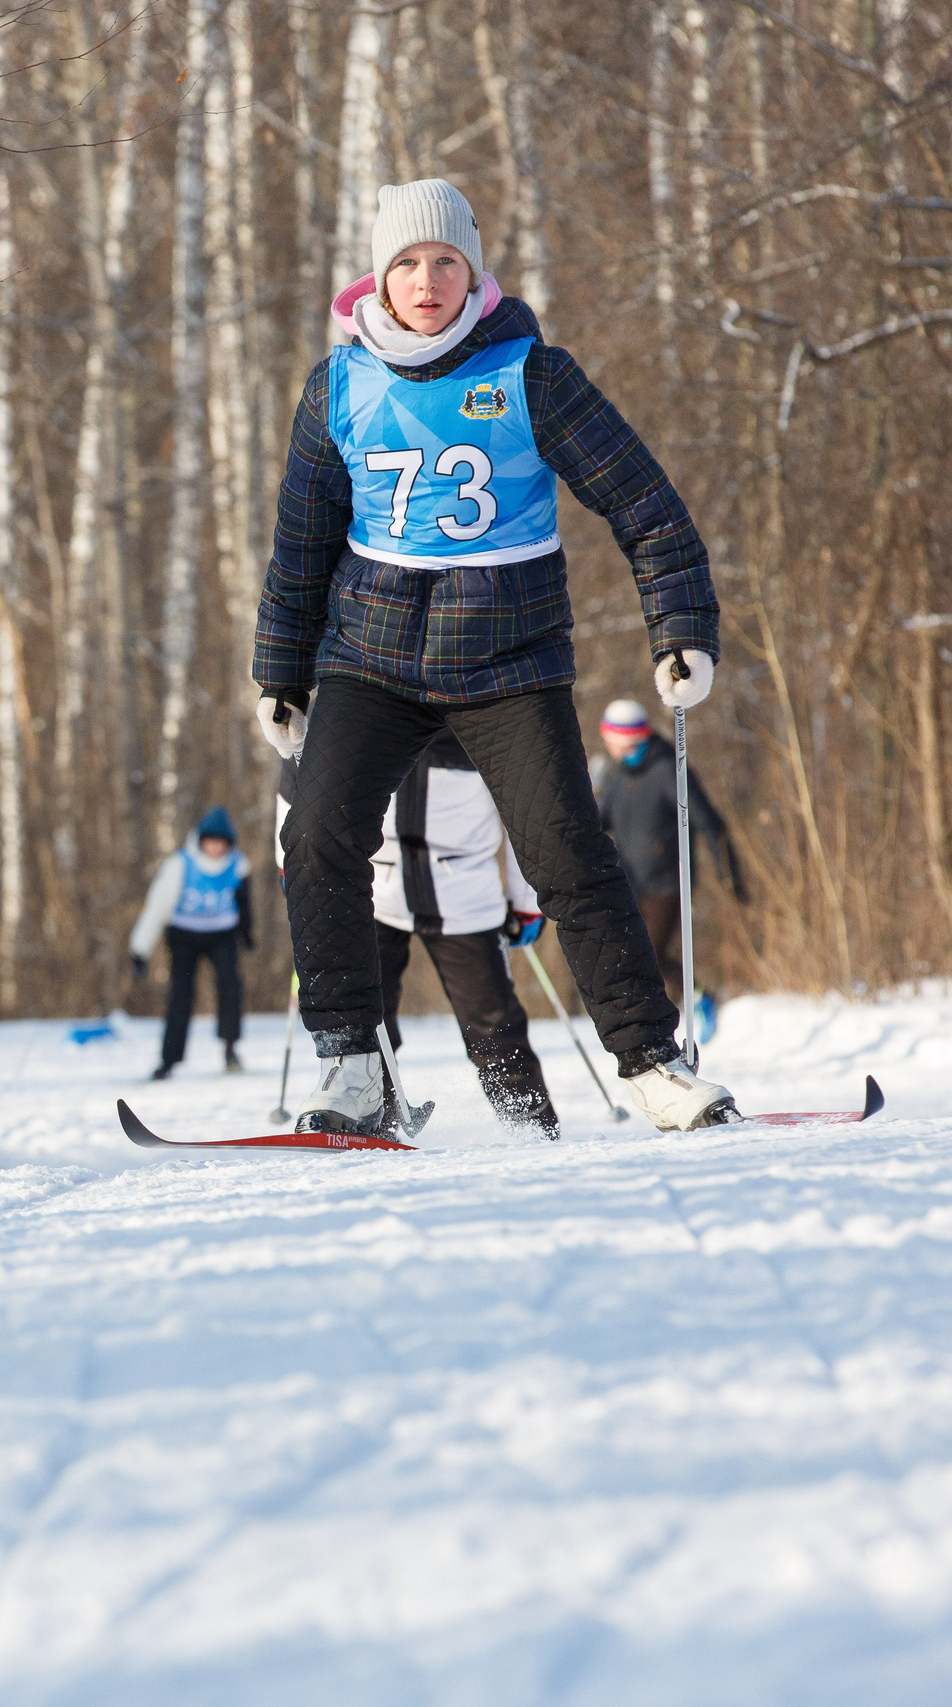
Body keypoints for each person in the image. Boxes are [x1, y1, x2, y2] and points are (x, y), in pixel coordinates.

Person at [251, 177, 735, 1136]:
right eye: (406, 264)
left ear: (473, 272)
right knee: (316, 837)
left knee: (568, 856)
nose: (426, 281)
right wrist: (281, 671)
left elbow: (645, 505)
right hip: (371, 660)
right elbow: (301, 545)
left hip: (508, 663)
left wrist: (680, 627)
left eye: (446, 261)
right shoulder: (337, 387)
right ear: (377, 280)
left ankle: (652, 1065)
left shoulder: (530, 375)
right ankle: (354, 1067)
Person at [277, 732, 560, 1135]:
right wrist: (294, 867)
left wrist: (527, 898)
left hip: (463, 894)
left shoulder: (484, 719)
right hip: (373, 890)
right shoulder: (362, 711)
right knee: (365, 1017)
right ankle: (375, 1119)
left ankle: (532, 1127)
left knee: (494, 1026)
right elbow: (297, 784)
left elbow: (525, 811)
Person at [594, 698, 747, 1008]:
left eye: (609, 739)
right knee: (633, 955)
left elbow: (710, 823)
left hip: (667, 882)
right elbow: (599, 822)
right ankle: (682, 1002)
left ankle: (700, 1001)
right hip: (631, 882)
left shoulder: (668, 770)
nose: (607, 746)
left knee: (649, 954)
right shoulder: (617, 776)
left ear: (624, 738)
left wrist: (729, 874)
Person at [128, 806, 255, 1080]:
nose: (215, 848)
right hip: (184, 935)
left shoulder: (238, 864)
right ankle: (169, 1059)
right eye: (210, 842)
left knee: (230, 987)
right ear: (201, 841)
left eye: (221, 843)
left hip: (222, 934)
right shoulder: (180, 865)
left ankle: (230, 1048)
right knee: (181, 994)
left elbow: (244, 903)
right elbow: (157, 908)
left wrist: (246, 934)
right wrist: (140, 950)